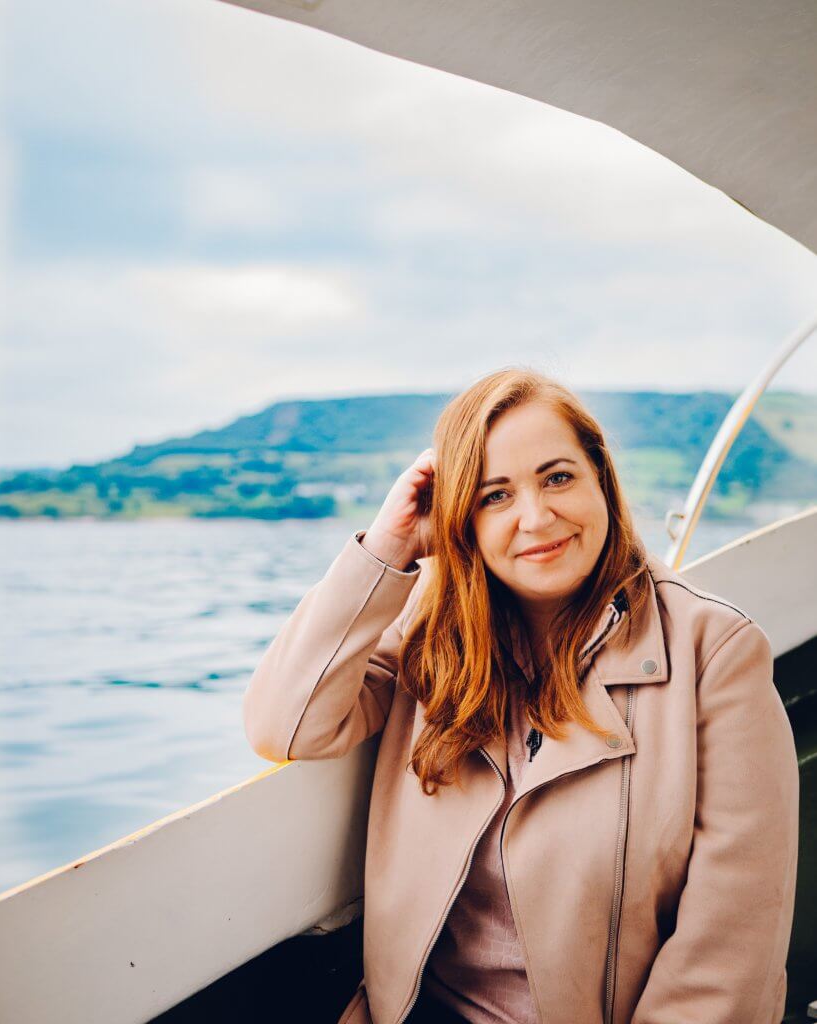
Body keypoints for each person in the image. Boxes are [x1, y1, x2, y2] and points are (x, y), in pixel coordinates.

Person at [242, 367, 799, 1024]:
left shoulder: (713, 650)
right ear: (460, 520)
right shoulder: (428, 631)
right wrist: (388, 548)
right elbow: (289, 725)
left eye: (557, 477)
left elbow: (730, 946)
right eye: (494, 496)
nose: (536, 518)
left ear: (601, 481)